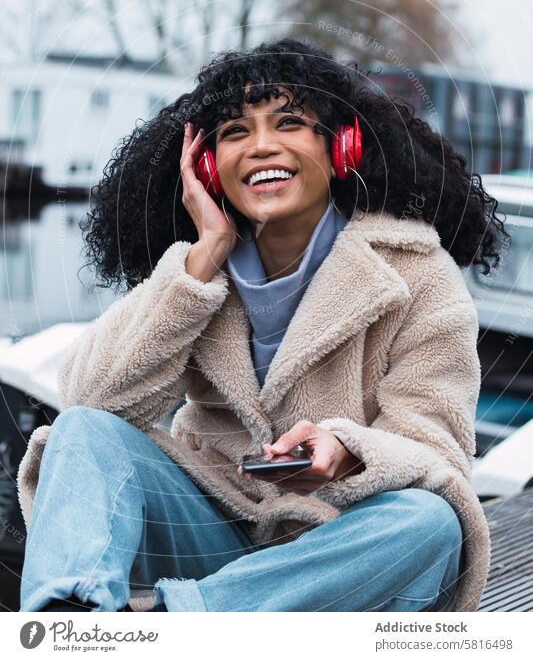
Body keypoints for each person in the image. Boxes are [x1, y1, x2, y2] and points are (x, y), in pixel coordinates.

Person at [17, 38, 510, 613]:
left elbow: (438, 451)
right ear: (207, 165)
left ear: (342, 149)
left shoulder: (417, 274)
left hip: (337, 549)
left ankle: (179, 628)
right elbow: (93, 399)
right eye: (234, 132)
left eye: (290, 122)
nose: (261, 146)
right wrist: (202, 259)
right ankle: (68, 623)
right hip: (212, 532)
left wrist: (349, 451)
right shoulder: (197, 270)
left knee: (431, 522)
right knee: (81, 431)